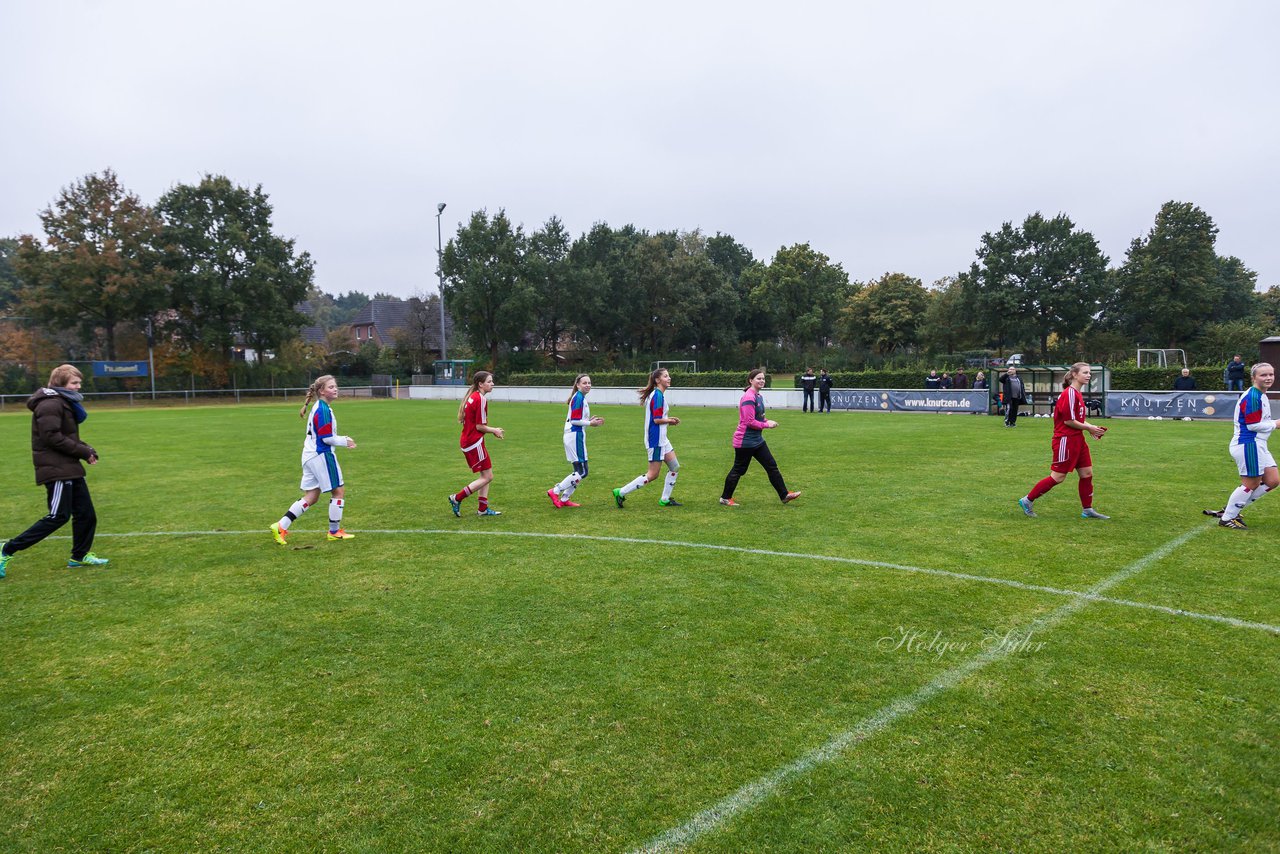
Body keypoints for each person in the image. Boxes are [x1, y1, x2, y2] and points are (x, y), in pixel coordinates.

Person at [0, 364, 108, 577]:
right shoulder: (49, 404)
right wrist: (82, 452)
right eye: (74, 383)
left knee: (86, 515)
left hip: (69, 467)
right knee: (58, 516)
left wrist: (87, 450)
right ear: (61, 384)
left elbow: (67, 437)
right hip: (56, 468)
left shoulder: (62, 402)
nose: (78, 387)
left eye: (79, 383)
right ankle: (6, 549)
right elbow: (52, 437)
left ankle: (79, 557)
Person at [271, 374, 358, 544]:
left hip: (309, 455)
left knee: (312, 495)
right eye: (331, 387)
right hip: (321, 455)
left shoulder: (319, 406)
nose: (335, 389)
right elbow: (326, 438)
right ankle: (334, 531)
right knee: (338, 491)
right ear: (321, 391)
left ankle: (281, 525)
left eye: (335, 386)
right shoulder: (323, 410)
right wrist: (345, 440)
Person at [1017, 362, 1109, 520]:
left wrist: (1092, 427)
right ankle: (1027, 500)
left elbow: (1078, 419)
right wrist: (1089, 428)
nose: (1088, 375)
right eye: (1085, 372)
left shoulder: (1077, 393)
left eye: (1089, 373)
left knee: (1087, 473)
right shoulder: (1070, 394)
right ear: (1074, 374)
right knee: (1058, 477)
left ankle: (1087, 509)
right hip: (1065, 441)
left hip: (1077, 440)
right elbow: (1068, 421)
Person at [720, 369, 801, 506]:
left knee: (771, 466)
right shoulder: (748, 397)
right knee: (739, 470)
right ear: (751, 380)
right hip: (745, 441)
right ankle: (725, 498)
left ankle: (784, 495)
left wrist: (767, 421)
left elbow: (759, 418)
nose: (762, 381)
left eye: (763, 378)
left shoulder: (758, 396)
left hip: (757, 441)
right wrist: (767, 425)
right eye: (758, 378)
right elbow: (749, 421)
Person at [1211, 363, 1276, 530]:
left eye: (1271, 374)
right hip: (1248, 444)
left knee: (1273, 480)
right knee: (1251, 483)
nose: (1268, 378)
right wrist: (1276, 424)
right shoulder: (1253, 397)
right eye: (1263, 375)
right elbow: (1253, 425)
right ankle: (1227, 518)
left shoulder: (1261, 394)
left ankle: (1233, 509)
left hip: (1258, 443)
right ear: (1254, 378)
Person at [613, 368, 682, 507]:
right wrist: (669, 421)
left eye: (669, 376)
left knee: (674, 466)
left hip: (662, 438)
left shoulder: (658, 395)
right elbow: (657, 420)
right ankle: (621, 492)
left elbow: (659, 418)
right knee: (652, 474)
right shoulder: (657, 395)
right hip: (655, 440)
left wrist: (668, 419)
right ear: (657, 380)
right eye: (665, 376)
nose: (669, 378)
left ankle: (665, 499)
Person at [448, 370, 505, 517]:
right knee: (488, 477)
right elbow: (479, 426)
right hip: (474, 442)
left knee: (485, 474)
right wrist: (495, 430)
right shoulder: (480, 399)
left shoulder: (474, 397)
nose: (492, 384)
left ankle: (482, 509)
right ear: (480, 384)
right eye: (489, 382)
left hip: (470, 440)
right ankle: (457, 498)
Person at [547, 374, 604, 508]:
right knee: (583, 472)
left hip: (574, 435)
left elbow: (576, 419)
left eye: (589, 383)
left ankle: (565, 498)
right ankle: (555, 491)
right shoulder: (578, 397)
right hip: (575, 435)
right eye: (584, 383)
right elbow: (574, 420)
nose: (588, 385)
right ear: (578, 385)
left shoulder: (580, 397)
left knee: (579, 471)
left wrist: (589, 421)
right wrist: (591, 424)